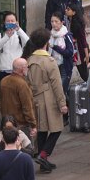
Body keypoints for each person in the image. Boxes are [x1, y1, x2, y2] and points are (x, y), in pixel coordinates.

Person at [27, 28, 68, 171]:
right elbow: (57, 85)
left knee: (42, 130)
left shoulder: (29, 60)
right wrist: (62, 104)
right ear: (46, 42)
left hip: (35, 98)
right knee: (57, 129)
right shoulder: (49, 61)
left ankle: (43, 161)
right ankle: (43, 155)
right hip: (49, 99)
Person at [0, 59, 37, 143]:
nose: (28, 69)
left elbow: (2, 103)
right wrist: (33, 125)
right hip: (21, 125)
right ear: (22, 69)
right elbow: (27, 107)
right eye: (27, 67)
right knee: (25, 150)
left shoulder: (3, 81)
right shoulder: (22, 84)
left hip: (6, 123)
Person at [0, 12, 28, 85]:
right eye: (8, 21)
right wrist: (7, 36)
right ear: (4, 23)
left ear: (16, 22)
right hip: (4, 69)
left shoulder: (19, 34)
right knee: (4, 92)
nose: (10, 22)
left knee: (18, 92)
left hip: (18, 69)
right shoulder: (1, 34)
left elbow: (28, 42)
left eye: (12, 21)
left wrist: (19, 30)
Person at [48, 12, 75, 95]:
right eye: (52, 21)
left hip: (64, 66)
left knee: (62, 90)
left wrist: (56, 47)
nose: (54, 24)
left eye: (56, 21)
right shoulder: (50, 34)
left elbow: (70, 52)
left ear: (62, 22)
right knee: (54, 90)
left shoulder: (66, 35)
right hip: (53, 65)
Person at [64, 0, 90, 83]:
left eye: (68, 9)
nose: (66, 10)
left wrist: (86, 55)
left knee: (84, 73)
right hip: (73, 49)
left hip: (80, 52)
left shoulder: (77, 25)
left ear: (74, 12)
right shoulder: (68, 20)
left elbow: (83, 40)